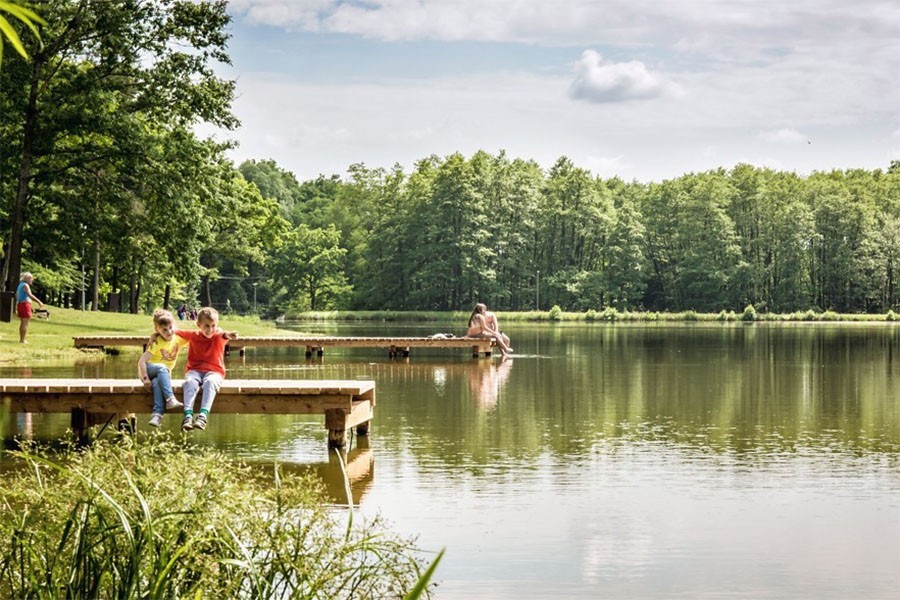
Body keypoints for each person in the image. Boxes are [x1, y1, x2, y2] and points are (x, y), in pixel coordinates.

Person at [175, 306, 238, 431]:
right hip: (194, 370)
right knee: (189, 382)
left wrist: (229, 334)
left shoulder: (217, 336)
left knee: (210, 382)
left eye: (213, 325)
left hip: (214, 371)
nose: (210, 329)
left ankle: (203, 416)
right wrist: (156, 334)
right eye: (207, 326)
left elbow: (224, 335)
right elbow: (174, 332)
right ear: (199, 325)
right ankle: (188, 416)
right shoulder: (193, 336)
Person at [138, 309, 184, 427]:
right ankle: (170, 398)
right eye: (164, 329)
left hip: (161, 375)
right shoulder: (157, 341)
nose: (169, 331)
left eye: (170, 327)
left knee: (158, 382)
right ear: (157, 330)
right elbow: (142, 361)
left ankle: (157, 415)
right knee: (163, 368)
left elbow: (197, 335)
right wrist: (145, 378)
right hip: (148, 370)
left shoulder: (178, 338)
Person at [16, 272, 44, 344]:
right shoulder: (25, 285)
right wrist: (39, 301)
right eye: (31, 278)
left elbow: (17, 295)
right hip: (25, 305)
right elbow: (30, 295)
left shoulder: (20, 285)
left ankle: (22, 339)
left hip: (20, 304)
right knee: (25, 323)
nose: (32, 280)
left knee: (23, 322)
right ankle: (22, 340)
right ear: (27, 278)